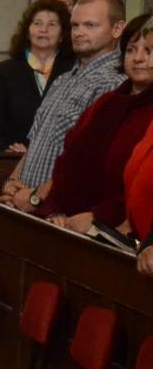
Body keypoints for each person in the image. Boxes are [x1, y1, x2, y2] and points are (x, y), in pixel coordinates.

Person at [2, 0, 127, 211]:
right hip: (27, 205)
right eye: (75, 25)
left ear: (117, 29)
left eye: (90, 25)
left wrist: (37, 197)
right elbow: (35, 143)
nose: (78, 33)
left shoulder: (115, 84)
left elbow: (89, 162)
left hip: (62, 212)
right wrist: (12, 182)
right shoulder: (62, 80)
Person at [35, 14, 153, 233]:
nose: (138, 58)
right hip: (68, 219)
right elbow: (68, 156)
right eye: (131, 50)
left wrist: (97, 217)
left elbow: (142, 185)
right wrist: (56, 209)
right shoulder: (108, 102)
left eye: (148, 51)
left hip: (117, 230)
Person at [0, 0, 72, 154]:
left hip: (60, 159)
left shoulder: (73, 70)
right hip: (14, 159)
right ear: (27, 32)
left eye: (52, 24)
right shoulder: (6, 71)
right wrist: (10, 149)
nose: (44, 29)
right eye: (37, 23)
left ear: (62, 35)